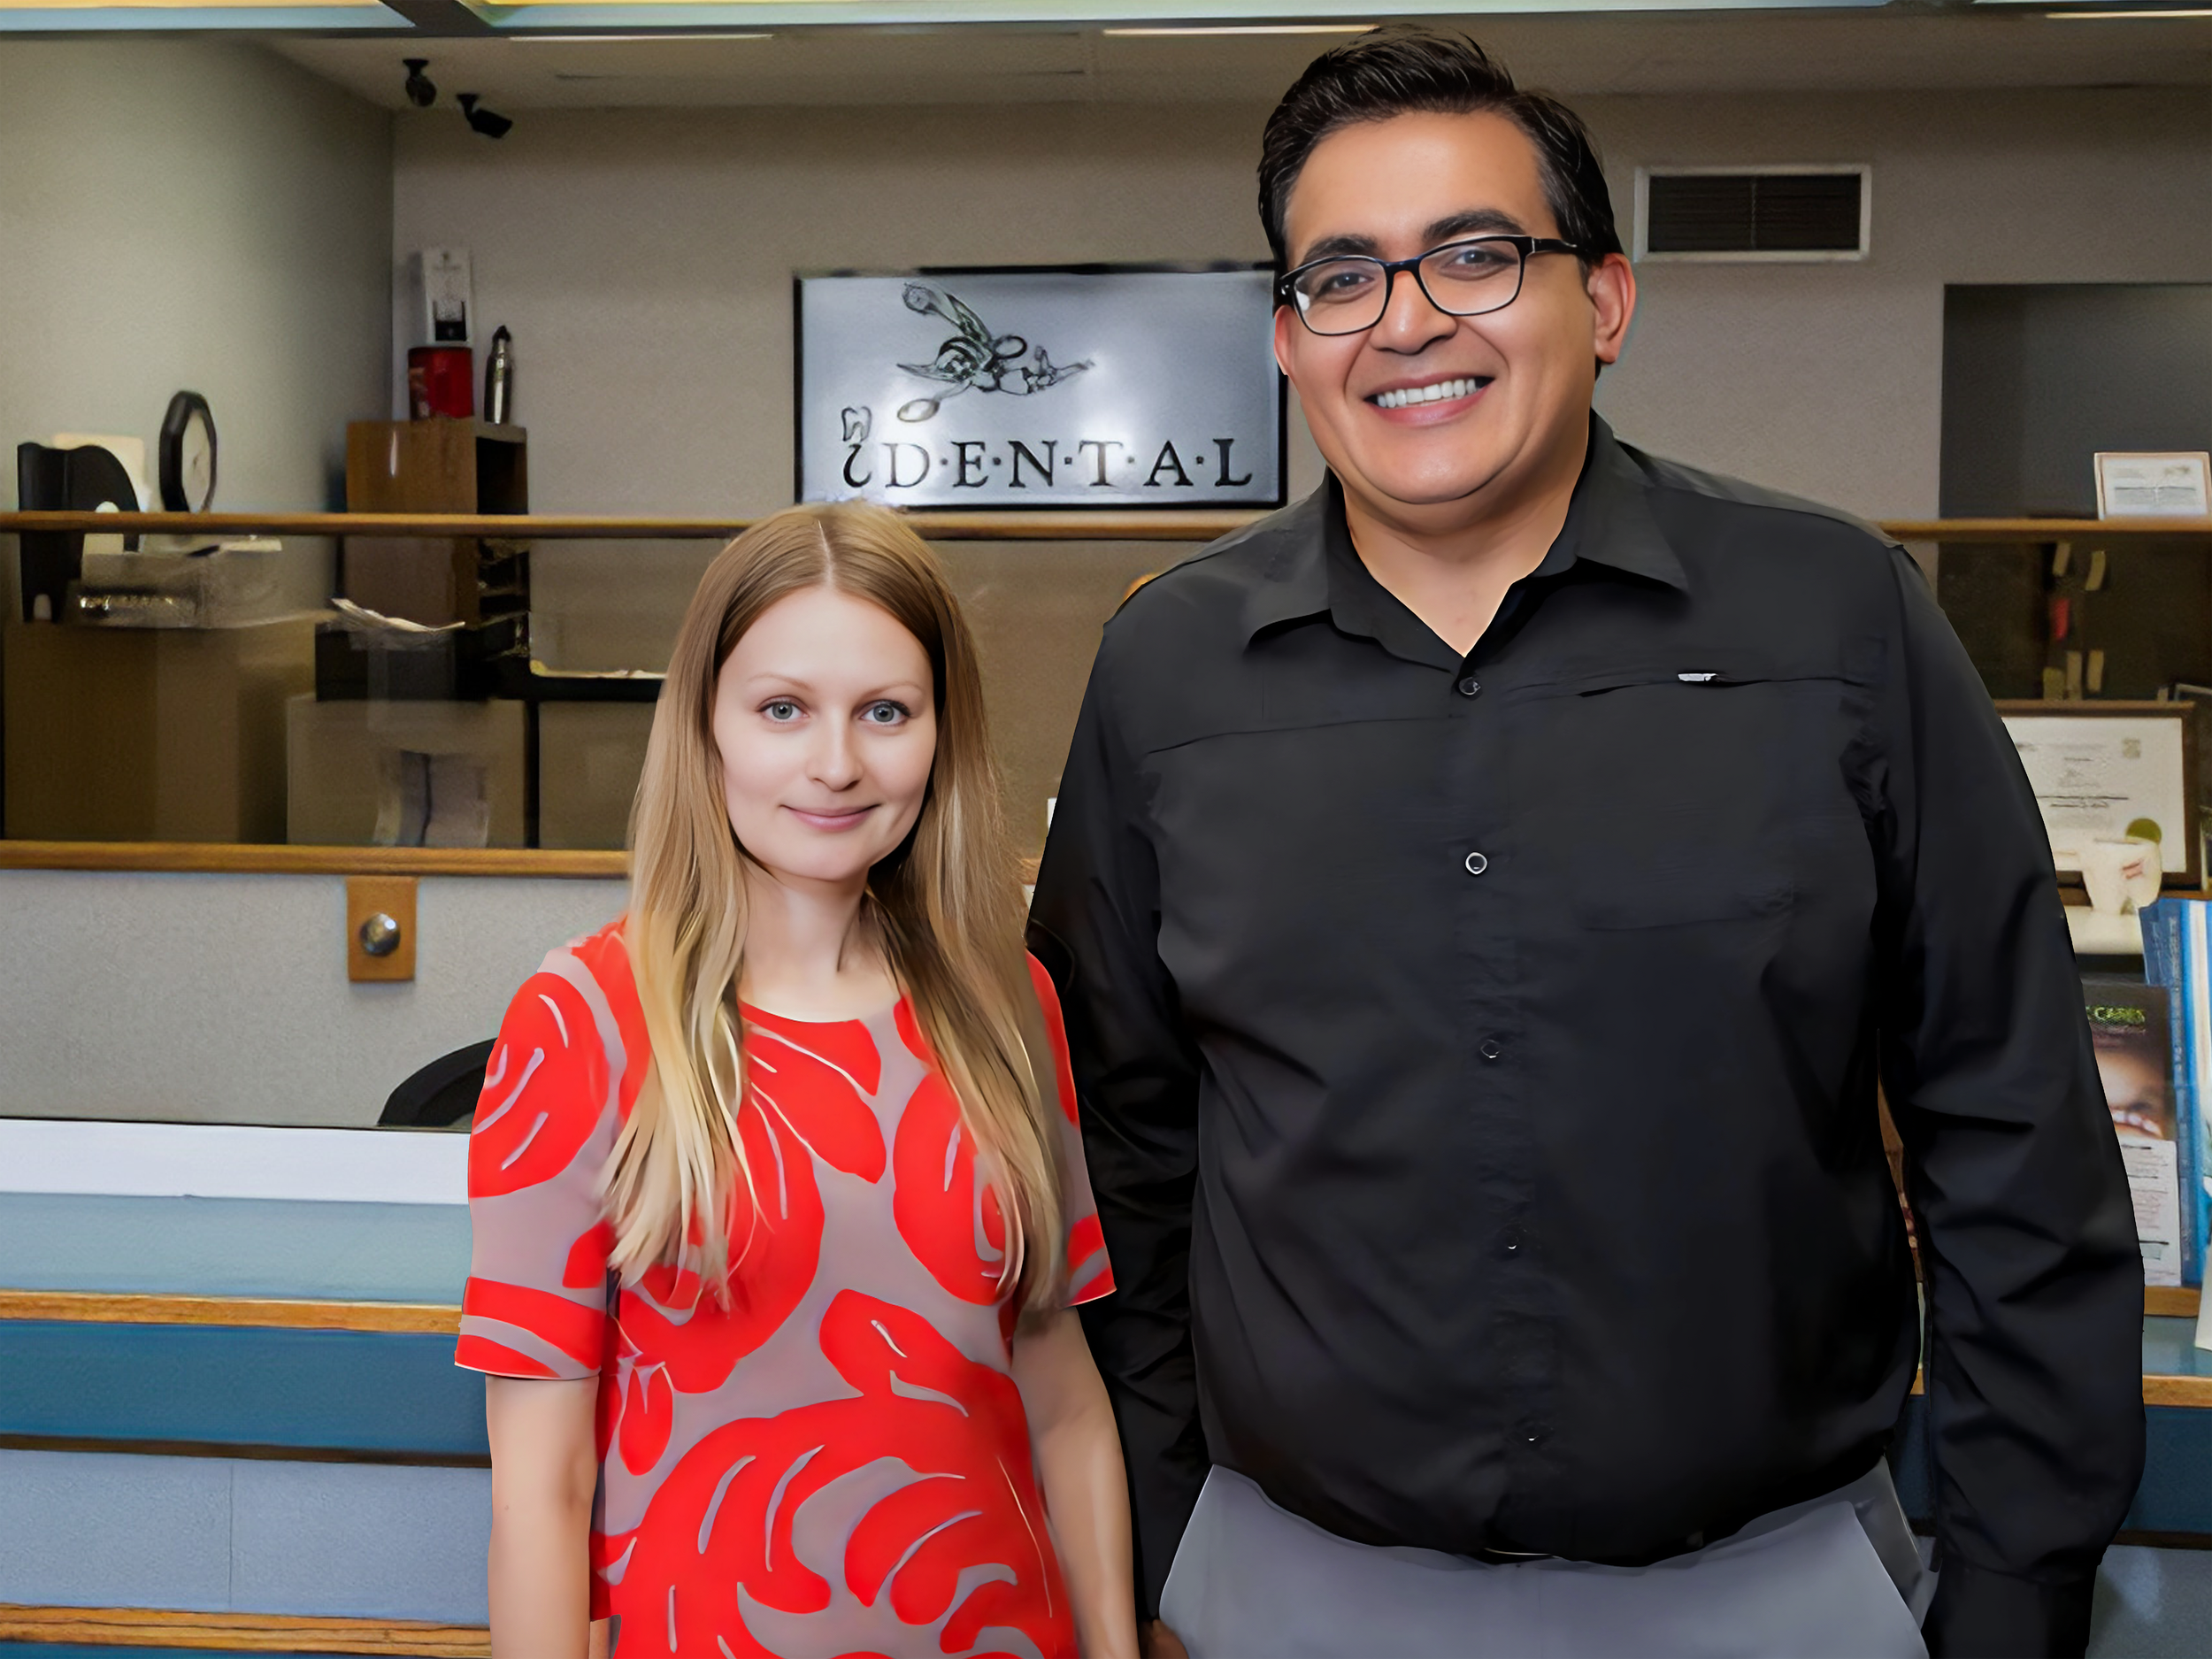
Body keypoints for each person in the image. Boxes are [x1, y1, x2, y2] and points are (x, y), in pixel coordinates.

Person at [1028, 29, 2144, 1659]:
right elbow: (1117, 1151)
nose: (1407, 320)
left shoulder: (1836, 621)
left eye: (1475, 255)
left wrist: (2016, 1590)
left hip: (1777, 1586)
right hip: (1289, 1587)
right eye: (1341, 277)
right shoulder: (1169, 670)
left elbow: (2013, 1131)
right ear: (1286, 339)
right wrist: (1168, 1531)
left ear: (1605, 301)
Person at [458, 502, 1139, 1659]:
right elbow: (542, 1488)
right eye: (784, 709)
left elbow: (1063, 1397)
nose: (838, 762)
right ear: (708, 726)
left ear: (941, 732)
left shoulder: (1007, 999)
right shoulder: (583, 1020)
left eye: (886, 711)